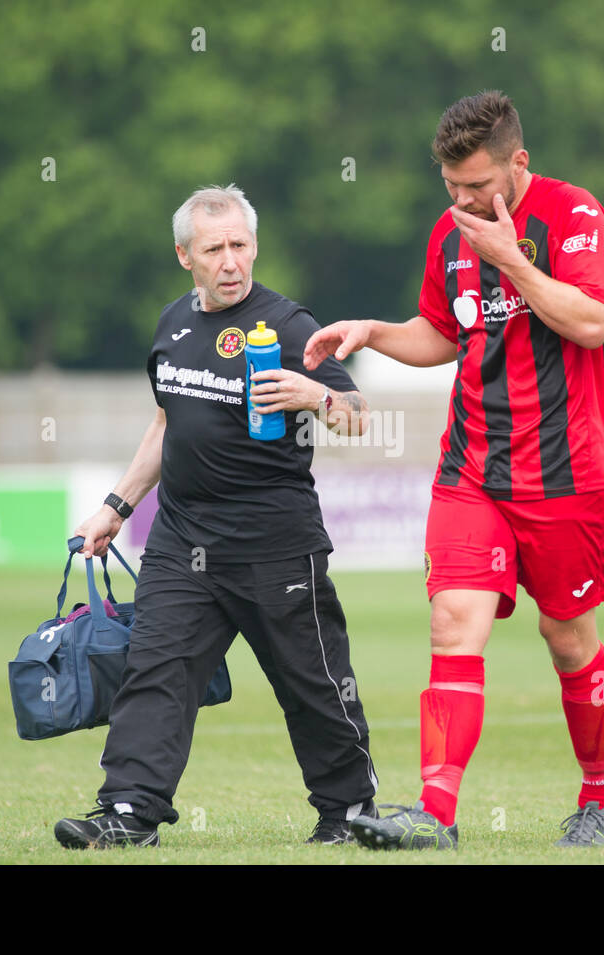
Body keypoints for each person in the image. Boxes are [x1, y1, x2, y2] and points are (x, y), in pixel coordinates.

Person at [304, 91, 604, 850]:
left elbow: (591, 321)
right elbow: (444, 333)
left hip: (566, 471)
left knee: (568, 636)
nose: (464, 202)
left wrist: (509, 257)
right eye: (451, 189)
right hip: (472, 467)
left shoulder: (573, 217)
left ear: (519, 162)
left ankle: (599, 799)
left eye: (477, 187)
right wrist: (375, 331)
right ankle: (435, 812)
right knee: (453, 621)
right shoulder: (450, 235)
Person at [54, 184, 378, 849]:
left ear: (253, 245)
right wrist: (117, 506)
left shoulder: (290, 326)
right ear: (185, 256)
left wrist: (313, 392)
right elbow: (166, 424)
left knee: (312, 682)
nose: (231, 261)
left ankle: (346, 812)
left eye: (240, 245)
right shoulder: (173, 323)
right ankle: (127, 812)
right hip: (182, 537)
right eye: (214, 248)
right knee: (155, 670)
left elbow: (358, 417)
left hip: (275, 541)